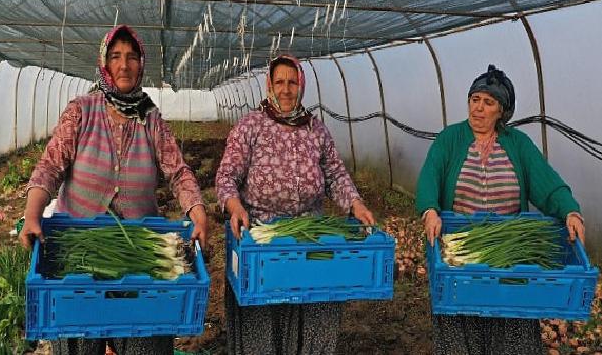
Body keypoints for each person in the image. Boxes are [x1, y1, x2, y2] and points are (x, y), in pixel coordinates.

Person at [18, 25, 208, 355]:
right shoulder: (81, 111)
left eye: (132, 57)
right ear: (105, 63)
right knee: (80, 340)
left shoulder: (150, 118)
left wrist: (199, 213)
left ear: (141, 63)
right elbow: (50, 165)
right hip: (78, 247)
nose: (124, 65)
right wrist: (32, 213)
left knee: (142, 339)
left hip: (141, 253)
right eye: (116, 56)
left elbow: (178, 172)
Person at [416, 64, 585, 355]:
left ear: (502, 111)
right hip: (461, 255)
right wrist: (430, 210)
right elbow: (429, 177)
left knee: (510, 328)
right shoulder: (450, 139)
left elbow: (547, 182)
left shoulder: (517, 144)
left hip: (509, 254)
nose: (478, 109)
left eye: (488, 102)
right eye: (474, 100)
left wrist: (569, 210)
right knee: (460, 327)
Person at [215, 54, 376, 355]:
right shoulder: (251, 125)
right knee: (264, 319)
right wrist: (235, 206)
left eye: (292, 82)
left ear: (301, 85)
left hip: (309, 236)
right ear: (269, 86)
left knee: (314, 308)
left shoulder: (315, 129)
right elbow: (226, 176)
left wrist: (355, 203)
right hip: (263, 239)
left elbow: (336, 174)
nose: (286, 89)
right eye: (280, 82)